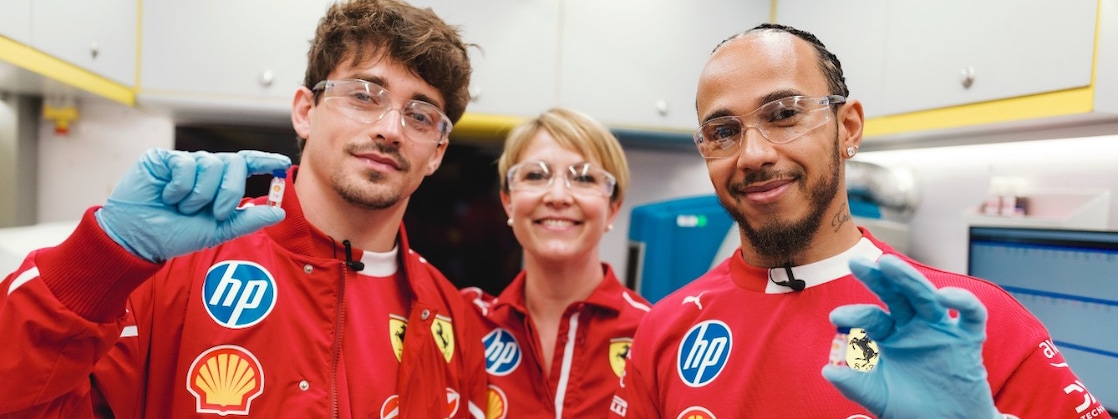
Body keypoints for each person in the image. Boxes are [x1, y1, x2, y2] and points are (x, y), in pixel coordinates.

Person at [0, 0, 489, 417]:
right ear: (305, 111)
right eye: (364, 95)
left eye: (420, 114)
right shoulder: (173, 268)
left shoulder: (455, 320)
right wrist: (99, 258)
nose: (390, 128)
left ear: (438, 152)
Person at [608, 23, 1109, 418]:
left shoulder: (970, 323)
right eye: (723, 131)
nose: (753, 154)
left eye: (784, 113)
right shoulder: (665, 331)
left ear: (847, 129)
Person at [460, 107, 651, 418]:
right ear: (508, 201)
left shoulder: (653, 334)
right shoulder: (464, 324)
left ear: (613, 208)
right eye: (536, 175)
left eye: (584, 177)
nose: (558, 195)